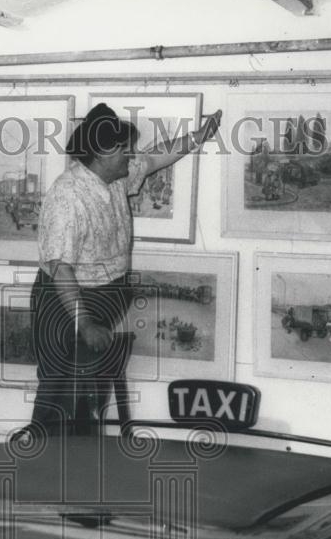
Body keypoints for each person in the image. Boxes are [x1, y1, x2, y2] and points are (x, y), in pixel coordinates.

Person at [15, 103, 221, 441]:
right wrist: (85, 323)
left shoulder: (113, 177)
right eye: (125, 148)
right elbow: (61, 269)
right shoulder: (67, 196)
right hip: (67, 302)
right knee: (61, 392)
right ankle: (47, 467)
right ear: (101, 152)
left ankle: (81, 462)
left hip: (103, 295)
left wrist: (199, 136)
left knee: (89, 392)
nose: (132, 154)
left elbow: (156, 158)